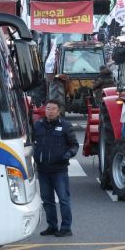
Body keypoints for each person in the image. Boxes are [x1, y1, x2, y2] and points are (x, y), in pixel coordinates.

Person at [34, 99, 80, 237]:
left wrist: (67, 155)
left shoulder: (65, 126)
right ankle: (52, 226)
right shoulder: (38, 125)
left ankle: (66, 228)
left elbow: (74, 145)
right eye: (48, 108)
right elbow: (30, 142)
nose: (50, 111)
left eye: (53, 109)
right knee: (47, 200)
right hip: (43, 170)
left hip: (59, 170)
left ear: (58, 111)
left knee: (63, 200)